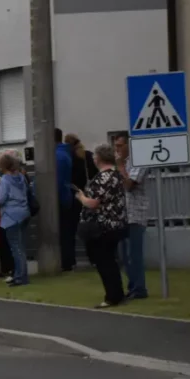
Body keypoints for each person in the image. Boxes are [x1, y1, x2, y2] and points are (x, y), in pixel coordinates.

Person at [74, 144, 128, 307]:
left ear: (99, 158)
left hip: (102, 226)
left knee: (104, 262)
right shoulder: (117, 175)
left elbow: (94, 203)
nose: (93, 159)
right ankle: (117, 293)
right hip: (115, 223)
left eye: (95, 156)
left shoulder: (103, 177)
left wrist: (81, 197)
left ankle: (112, 296)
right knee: (110, 260)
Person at [112, 132, 148, 299]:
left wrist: (120, 167)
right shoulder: (122, 163)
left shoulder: (138, 162)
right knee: (123, 255)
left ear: (129, 145)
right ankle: (132, 286)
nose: (117, 149)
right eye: (116, 146)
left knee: (134, 255)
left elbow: (129, 186)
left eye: (120, 146)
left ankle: (139, 288)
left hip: (135, 214)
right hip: (121, 214)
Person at [0, 151, 31, 286]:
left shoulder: (4, 180)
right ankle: (21, 274)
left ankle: (21, 277)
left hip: (11, 216)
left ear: (3, 166)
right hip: (24, 213)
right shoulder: (20, 177)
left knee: (15, 248)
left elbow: (1, 199)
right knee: (20, 247)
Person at [55, 128, 76, 271]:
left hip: (60, 199)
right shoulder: (64, 153)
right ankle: (67, 260)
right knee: (67, 232)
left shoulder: (57, 155)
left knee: (63, 232)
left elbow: (56, 180)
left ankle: (65, 262)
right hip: (65, 197)